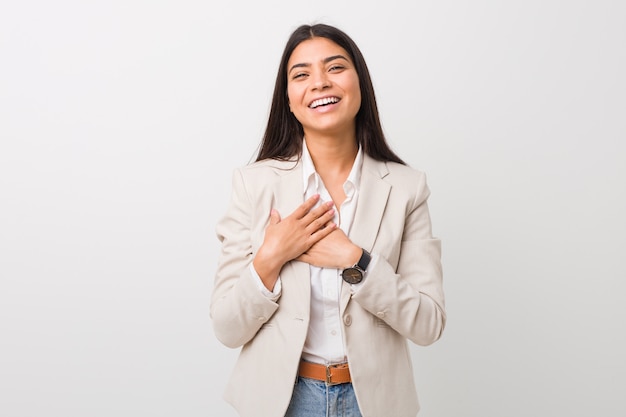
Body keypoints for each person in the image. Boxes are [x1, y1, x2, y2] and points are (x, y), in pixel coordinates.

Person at [211, 23, 446, 417]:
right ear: (288, 99)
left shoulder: (407, 188)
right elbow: (226, 327)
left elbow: (428, 324)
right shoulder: (253, 185)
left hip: (372, 402)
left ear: (359, 83)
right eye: (301, 74)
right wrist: (270, 257)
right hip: (283, 401)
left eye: (335, 68)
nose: (319, 83)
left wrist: (357, 262)